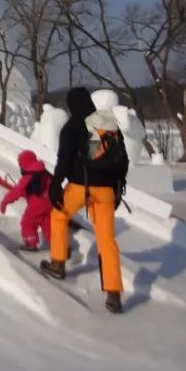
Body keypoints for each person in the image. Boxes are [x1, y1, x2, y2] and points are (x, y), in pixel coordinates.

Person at [40, 87, 128, 314]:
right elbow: (122, 159)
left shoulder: (73, 126)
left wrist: (55, 186)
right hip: (107, 190)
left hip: (82, 186)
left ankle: (58, 263)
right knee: (107, 240)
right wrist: (118, 189)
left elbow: (64, 160)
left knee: (59, 215)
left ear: (71, 105)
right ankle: (114, 293)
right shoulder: (105, 121)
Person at [0, 150, 54, 252]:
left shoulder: (28, 177)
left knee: (28, 222)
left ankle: (31, 244)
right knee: (48, 225)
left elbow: (17, 191)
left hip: (37, 204)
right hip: (51, 203)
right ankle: (58, 246)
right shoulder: (45, 173)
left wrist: (5, 201)